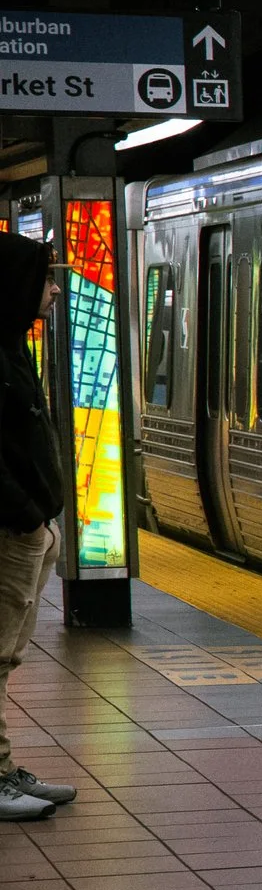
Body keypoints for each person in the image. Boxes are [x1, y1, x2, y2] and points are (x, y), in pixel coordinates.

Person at [0, 234, 76, 822]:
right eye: (45, 277)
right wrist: (26, 514)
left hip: (27, 530)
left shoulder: (11, 346)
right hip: (9, 531)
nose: (53, 289)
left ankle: (2, 768)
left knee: (8, 657)